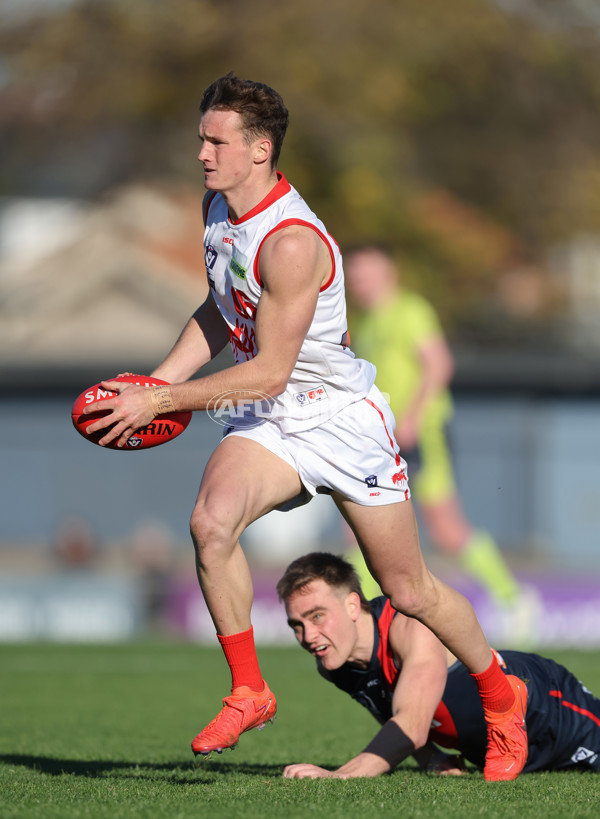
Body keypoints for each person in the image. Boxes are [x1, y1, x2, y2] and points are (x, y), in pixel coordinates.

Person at [83, 73, 527, 781]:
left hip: (340, 419)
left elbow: (268, 372)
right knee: (210, 523)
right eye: (201, 136)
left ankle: (504, 696)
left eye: (216, 140)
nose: (201, 152)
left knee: (408, 590)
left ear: (259, 150)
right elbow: (218, 308)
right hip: (274, 417)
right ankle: (249, 689)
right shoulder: (217, 208)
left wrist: (163, 404)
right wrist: (158, 381)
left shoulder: (290, 242)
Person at [278, 552, 600, 779]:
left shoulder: (410, 628)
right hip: (497, 752)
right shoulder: (334, 662)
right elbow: (386, 708)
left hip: (549, 710)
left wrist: (338, 776)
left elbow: (412, 725)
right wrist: (432, 759)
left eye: (317, 616)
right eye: (297, 625)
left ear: (351, 604)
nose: (307, 636)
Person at [342, 246, 527, 613]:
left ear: (389, 272)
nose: (360, 282)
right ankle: (358, 613)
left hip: (419, 434)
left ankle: (514, 600)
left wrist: (411, 418)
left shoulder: (410, 311)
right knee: (360, 520)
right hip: (381, 438)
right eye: (355, 274)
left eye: (368, 272)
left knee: (445, 528)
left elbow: (439, 364)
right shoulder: (364, 322)